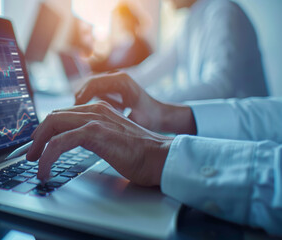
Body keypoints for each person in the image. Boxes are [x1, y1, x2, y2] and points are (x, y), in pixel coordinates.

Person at [26, 71, 282, 235]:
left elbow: (223, 83)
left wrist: (159, 154)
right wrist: (164, 115)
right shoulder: (195, 18)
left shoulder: (223, 12)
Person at [123, 0, 268, 102]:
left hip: (247, 135)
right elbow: (148, 72)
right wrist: (110, 86)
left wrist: (147, 99)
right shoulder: (190, 22)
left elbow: (221, 86)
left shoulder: (223, 11)